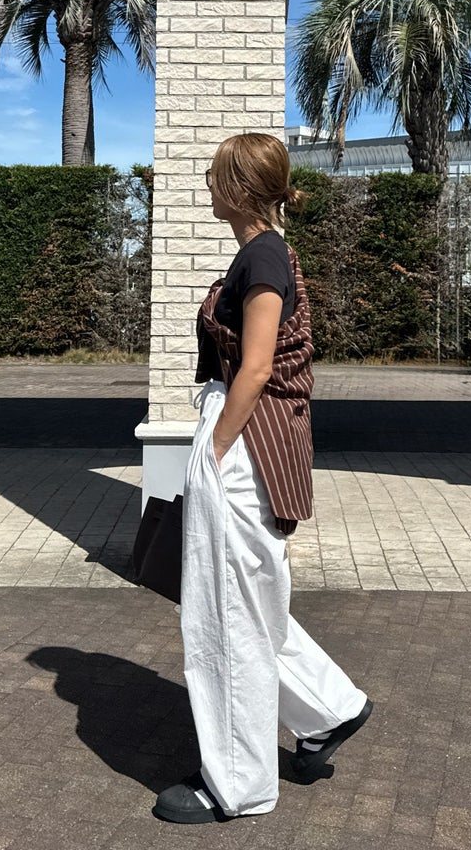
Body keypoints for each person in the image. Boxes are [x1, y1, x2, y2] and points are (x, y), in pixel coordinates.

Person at [153, 133, 372, 825]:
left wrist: (215, 450)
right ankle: (330, 709)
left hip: (241, 450)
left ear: (240, 189)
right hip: (245, 446)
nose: (207, 183)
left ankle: (238, 785)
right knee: (251, 604)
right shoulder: (264, 252)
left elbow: (254, 367)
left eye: (216, 174)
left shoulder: (265, 256)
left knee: (227, 618)